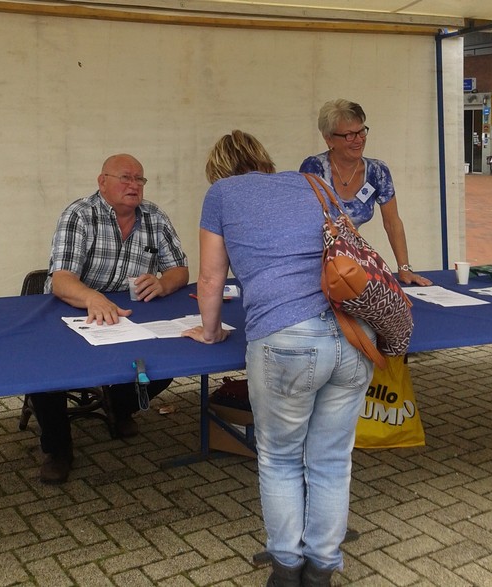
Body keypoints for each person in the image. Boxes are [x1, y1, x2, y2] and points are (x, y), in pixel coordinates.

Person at [183, 130, 375, 587]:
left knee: (281, 458)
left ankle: (287, 566)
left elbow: (210, 280)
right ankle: (322, 568)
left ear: (218, 168)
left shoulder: (222, 194)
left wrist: (210, 332)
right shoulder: (312, 182)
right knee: (331, 459)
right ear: (263, 159)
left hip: (287, 338)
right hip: (353, 333)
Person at [32, 153, 189, 484]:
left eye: (139, 179)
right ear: (102, 182)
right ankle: (58, 449)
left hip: (127, 313)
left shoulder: (155, 217)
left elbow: (180, 269)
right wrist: (92, 297)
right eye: (125, 178)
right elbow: (61, 280)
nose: (134, 185)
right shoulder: (79, 215)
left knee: (167, 360)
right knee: (46, 373)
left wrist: (162, 283)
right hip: (72, 307)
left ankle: (119, 407)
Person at [300, 99, 431, 286]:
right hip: (314, 267)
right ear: (329, 138)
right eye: (349, 135)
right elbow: (302, 222)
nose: (359, 139)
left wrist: (404, 269)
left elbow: (392, 222)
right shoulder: (313, 168)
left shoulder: (377, 171)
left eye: (361, 131)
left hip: (351, 267)